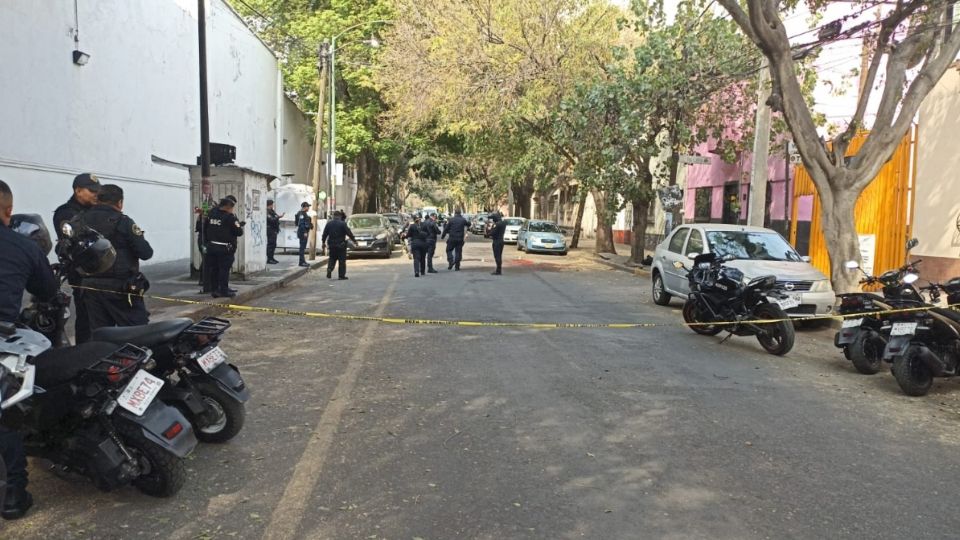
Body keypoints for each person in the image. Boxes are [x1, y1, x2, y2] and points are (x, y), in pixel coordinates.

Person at [1, 179, 60, 520]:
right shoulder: (21, 246)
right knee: (7, 414)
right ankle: (13, 496)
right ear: (9, 211)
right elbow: (48, 290)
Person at [75, 184, 153, 331]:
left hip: (90, 286)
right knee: (137, 333)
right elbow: (146, 253)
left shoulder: (80, 220)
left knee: (101, 334)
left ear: (98, 199)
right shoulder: (123, 221)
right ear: (119, 203)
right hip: (121, 287)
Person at [53, 172, 100, 343]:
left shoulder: (96, 210)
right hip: (82, 274)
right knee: (87, 318)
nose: (96, 195)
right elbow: (74, 243)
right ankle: (84, 354)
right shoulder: (66, 213)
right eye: (92, 191)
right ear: (78, 190)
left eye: (97, 191)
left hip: (102, 272)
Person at [203, 197, 244, 298]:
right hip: (225, 248)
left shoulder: (211, 214)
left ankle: (215, 290)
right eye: (232, 208)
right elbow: (239, 232)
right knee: (224, 270)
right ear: (228, 207)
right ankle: (224, 291)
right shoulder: (230, 217)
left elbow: (205, 228)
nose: (232, 210)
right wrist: (239, 224)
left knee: (214, 269)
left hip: (212, 247)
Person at [321, 210, 356, 280]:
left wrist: (323, 242)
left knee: (332, 258)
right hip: (341, 245)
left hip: (331, 245)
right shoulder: (343, 224)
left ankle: (329, 269)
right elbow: (349, 233)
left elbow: (324, 234)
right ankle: (341, 276)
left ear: (334, 216)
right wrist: (354, 240)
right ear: (340, 216)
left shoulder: (329, 224)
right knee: (342, 260)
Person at [295, 202, 312, 267]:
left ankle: (302, 261)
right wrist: (305, 232)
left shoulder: (303, 213)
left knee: (303, 247)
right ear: (305, 207)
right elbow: (301, 224)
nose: (308, 208)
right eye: (308, 207)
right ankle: (301, 262)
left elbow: (305, 223)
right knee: (302, 248)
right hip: (302, 232)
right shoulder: (301, 214)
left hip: (303, 232)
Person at [266, 199, 283, 264]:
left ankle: (272, 257)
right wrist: (277, 217)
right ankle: (269, 259)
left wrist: (278, 216)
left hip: (274, 229)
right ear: (269, 205)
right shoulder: (267, 211)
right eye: (272, 204)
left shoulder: (272, 211)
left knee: (273, 244)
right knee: (270, 244)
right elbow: (271, 219)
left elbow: (276, 216)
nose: (273, 205)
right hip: (270, 230)